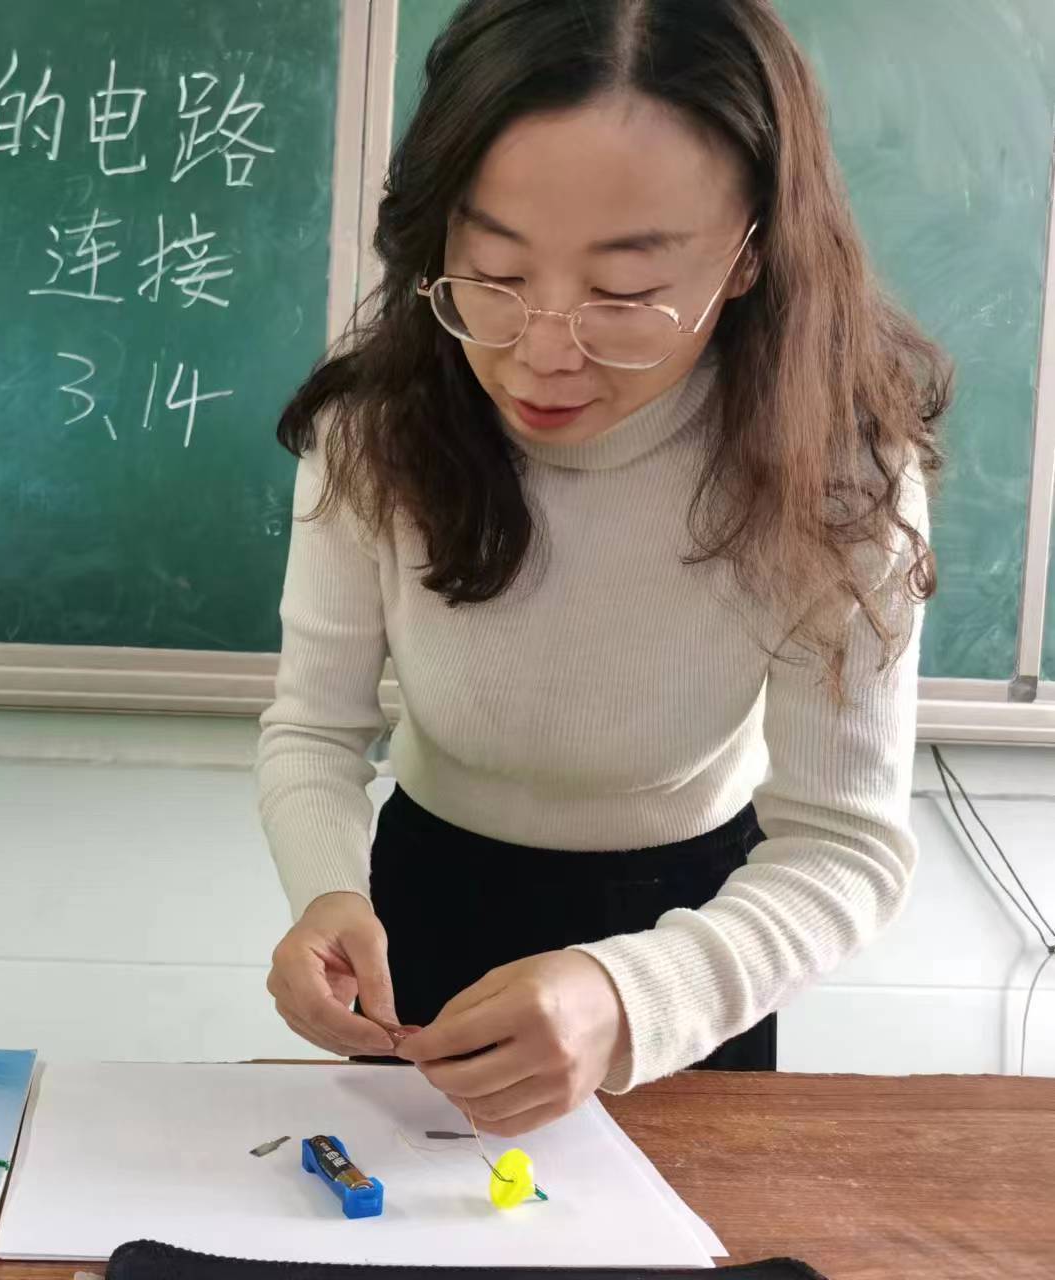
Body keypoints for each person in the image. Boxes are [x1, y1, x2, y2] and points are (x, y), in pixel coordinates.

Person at [257, 0, 948, 1138]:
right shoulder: (378, 433)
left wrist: (633, 998)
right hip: (424, 899)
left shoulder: (838, 478)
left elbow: (844, 846)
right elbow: (312, 730)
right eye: (492, 272)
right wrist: (328, 892)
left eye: (624, 296)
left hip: (698, 940)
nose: (540, 352)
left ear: (750, 256)